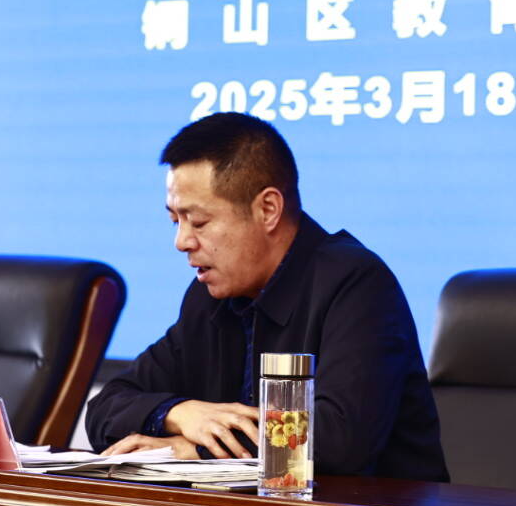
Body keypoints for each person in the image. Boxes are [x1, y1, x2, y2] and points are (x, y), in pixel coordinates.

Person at [86, 113, 448, 480]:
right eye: (174, 221)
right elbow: (105, 407)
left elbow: (338, 441)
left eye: (198, 222)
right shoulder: (207, 298)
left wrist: (196, 451)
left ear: (268, 209)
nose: (181, 242)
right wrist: (180, 413)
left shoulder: (357, 283)